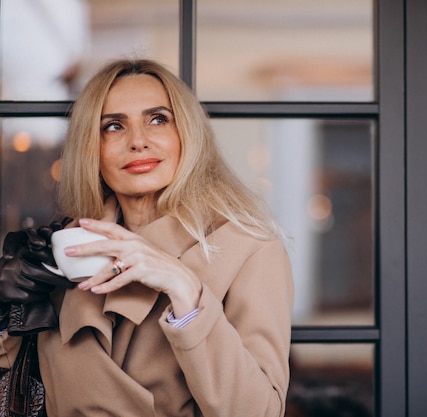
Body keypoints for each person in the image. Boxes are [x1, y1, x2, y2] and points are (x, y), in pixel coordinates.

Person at [0, 59, 294, 416]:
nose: (138, 141)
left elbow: (259, 411)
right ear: (91, 149)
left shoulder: (249, 250)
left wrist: (186, 292)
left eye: (158, 119)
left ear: (187, 134)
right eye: (113, 126)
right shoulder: (62, 251)